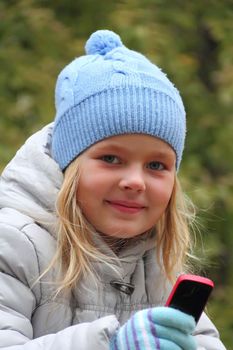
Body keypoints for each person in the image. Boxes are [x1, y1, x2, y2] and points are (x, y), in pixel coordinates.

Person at [0, 29, 226, 350]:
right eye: (111, 158)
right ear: (69, 164)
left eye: (156, 166)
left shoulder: (158, 264)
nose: (135, 181)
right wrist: (110, 344)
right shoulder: (14, 245)